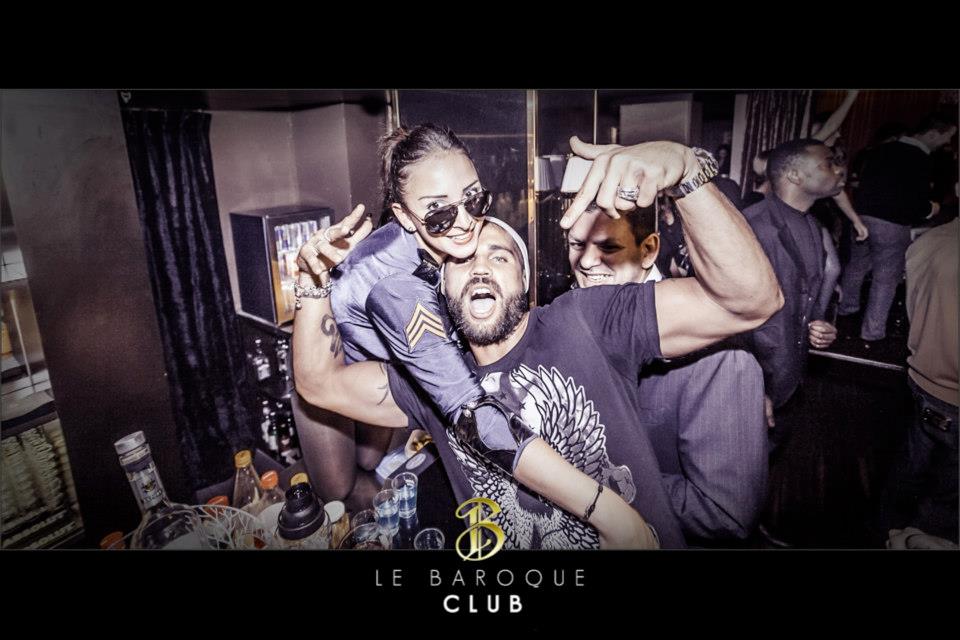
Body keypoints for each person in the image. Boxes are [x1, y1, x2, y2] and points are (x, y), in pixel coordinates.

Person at [295, 137, 784, 549]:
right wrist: (312, 284)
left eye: (499, 256)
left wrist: (687, 175)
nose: (478, 264)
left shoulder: (584, 321)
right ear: (439, 290)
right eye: (460, 262)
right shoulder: (430, 380)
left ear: (527, 282)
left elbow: (751, 300)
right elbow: (318, 384)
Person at [566, 203, 767, 544]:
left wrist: (583, 477)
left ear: (648, 251)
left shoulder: (719, 357)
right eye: (576, 244)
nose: (585, 262)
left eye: (608, 247)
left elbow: (724, 514)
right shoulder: (574, 317)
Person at [737, 139, 845, 440]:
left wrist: (819, 325)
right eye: (828, 163)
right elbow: (728, 315)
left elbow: (806, 294)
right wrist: (750, 387)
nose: (839, 170)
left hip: (789, 376)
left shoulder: (814, 226)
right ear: (795, 175)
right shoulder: (752, 226)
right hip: (754, 381)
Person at [838, 113, 958, 341]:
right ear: (933, 134)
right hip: (891, 225)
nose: (947, 143)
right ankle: (872, 332)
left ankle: (845, 312)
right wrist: (931, 208)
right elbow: (914, 203)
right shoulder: (920, 157)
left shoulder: (880, 149)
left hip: (860, 217)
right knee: (885, 279)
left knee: (855, 268)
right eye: (947, 137)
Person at [879, 217, 958, 543]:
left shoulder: (927, 240)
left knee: (909, 472)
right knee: (947, 499)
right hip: (954, 395)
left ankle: (886, 532)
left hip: (921, 381)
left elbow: (914, 311)